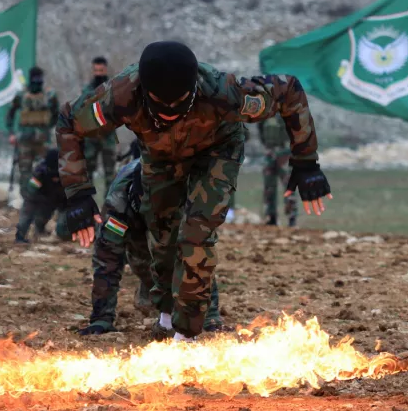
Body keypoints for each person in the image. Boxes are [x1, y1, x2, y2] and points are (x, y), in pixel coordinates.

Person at [56, 41, 331, 342]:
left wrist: (306, 163)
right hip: (160, 157)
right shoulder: (121, 96)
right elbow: (69, 122)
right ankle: (166, 314)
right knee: (161, 235)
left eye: (181, 103)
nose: (171, 112)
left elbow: (289, 91)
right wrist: (78, 193)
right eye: (162, 104)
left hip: (217, 150)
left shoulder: (224, 94)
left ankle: (187, 335)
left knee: (196, 234)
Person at [79, 159, 221, 336]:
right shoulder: (118, 207)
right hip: (135, 221)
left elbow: (199, 254)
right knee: (144, 263)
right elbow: (107, 261)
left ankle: (197, 312)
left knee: (191, 252)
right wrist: (101, 319)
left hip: (174, 214)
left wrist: (210, 318)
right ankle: (152, 295)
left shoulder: (185, 198)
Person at [6, 67, 59, 194]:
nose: (37, 82)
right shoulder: (21, 95)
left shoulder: (49, 95)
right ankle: (26, 201)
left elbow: (56, 115)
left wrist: (47, 127)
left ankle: (44, 200)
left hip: (43, 141)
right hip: (24, 141)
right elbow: (10, 114)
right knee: (25, 172)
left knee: (45, 171)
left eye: (39, 79)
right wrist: (12, 133)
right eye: (35, 78)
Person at [15, 148, 71, 244]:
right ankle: (24, 234)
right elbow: (30, 196)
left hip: (62, 200)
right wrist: (22, 230)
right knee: (31, 213)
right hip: (43, 199)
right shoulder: (39, 172)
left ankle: (67, 233)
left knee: (64, 225)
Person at [82, 57, 117, 192]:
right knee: (87, 174)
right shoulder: (87, 90)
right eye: (96, 70)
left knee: (110, 175)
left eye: (101, 70)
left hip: (108, 136)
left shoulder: (113, 88)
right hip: (91, 138)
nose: (98, 73)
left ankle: (109, 209)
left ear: (105, 69)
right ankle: (88, 208)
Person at [258, 117, 298, 226]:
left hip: (285, 152)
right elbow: (260, 128)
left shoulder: (289, 107)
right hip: (269, 152)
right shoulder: (265, 109)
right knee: (269, 186)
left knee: (288, 186)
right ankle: (271, 217)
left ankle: (292, 217)